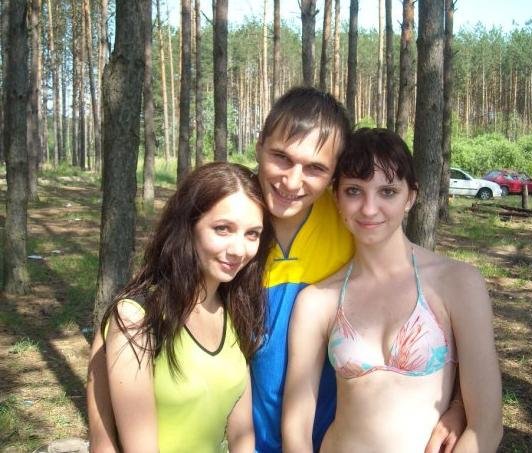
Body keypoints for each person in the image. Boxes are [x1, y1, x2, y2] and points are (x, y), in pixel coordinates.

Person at [251, 88, 468, 453]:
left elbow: (446, 316)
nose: (292, 181)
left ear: (334, 178)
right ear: (260, 146)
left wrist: (461, 404)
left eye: (316, 168)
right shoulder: (232, 222)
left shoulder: (353, 221)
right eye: (281, 157)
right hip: (253, 439)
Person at [281, 128, 503, 452]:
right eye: (354, 191)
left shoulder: (458, 283)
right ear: (336, 198)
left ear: (410, 197)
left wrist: (458, 407)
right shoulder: (317, 302)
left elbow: (486, 426)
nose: (369, 209)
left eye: (387, 191)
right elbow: (296, 427)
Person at [86, 162, 274, 453]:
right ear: (188, 226)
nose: (239, 249)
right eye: (222, 229)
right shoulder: (137, 318)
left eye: (252, 234)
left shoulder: (237, 311)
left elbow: (242, 435)